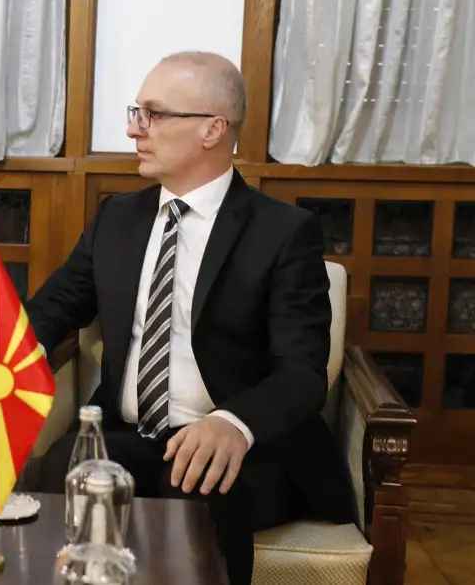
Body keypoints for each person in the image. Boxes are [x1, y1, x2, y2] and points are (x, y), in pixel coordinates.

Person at [27, 51, 354, 585]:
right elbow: (53, 307)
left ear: (212, 129)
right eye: (137, 112)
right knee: (67, 466)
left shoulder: (283, 233)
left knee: (197, 486)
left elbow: (302, 372)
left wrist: (234, 423)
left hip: (240, 446)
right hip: (127, 433)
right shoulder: (117, 218)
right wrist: (5, 357)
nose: (134, 129)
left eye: (153, 114)